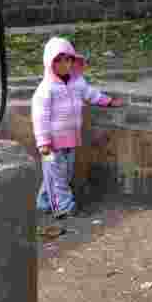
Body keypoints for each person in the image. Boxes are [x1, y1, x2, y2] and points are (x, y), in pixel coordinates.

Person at [31, 36, 122, 218]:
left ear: (73, 60)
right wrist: (43, 141)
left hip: (70, 139)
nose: (65, 64)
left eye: (68, 59)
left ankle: (44, 202)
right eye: (59, 60)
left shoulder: (77, 83)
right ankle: (64, 207)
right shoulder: (45, 90)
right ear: (50, 63)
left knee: (63, 173)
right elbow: (40, 117)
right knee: (58, 177)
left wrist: (108, 101)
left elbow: (91, 94)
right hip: (51, 143)